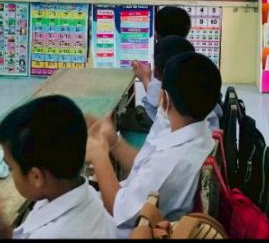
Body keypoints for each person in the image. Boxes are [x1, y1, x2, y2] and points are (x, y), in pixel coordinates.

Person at [0, 96, 115, 239]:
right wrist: (0, 228)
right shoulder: (84, 195)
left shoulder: (56, 233)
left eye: (11, 168)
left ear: (36, 177)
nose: (11, 173)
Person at [86, 52, 221, 237]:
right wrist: (113, 141)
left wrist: (99, 155)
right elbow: (144, 167)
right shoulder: (201, 132)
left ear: (164, 98)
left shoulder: (170, 160)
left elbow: (117, 209)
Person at [132, 6, 191, 119]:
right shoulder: (191, 54)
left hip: (169, 120)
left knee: (129, 117)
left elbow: (155, 100)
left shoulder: (163, 55)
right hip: (197, 120)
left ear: (157, 34)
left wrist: (144, 77)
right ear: (187, 31)